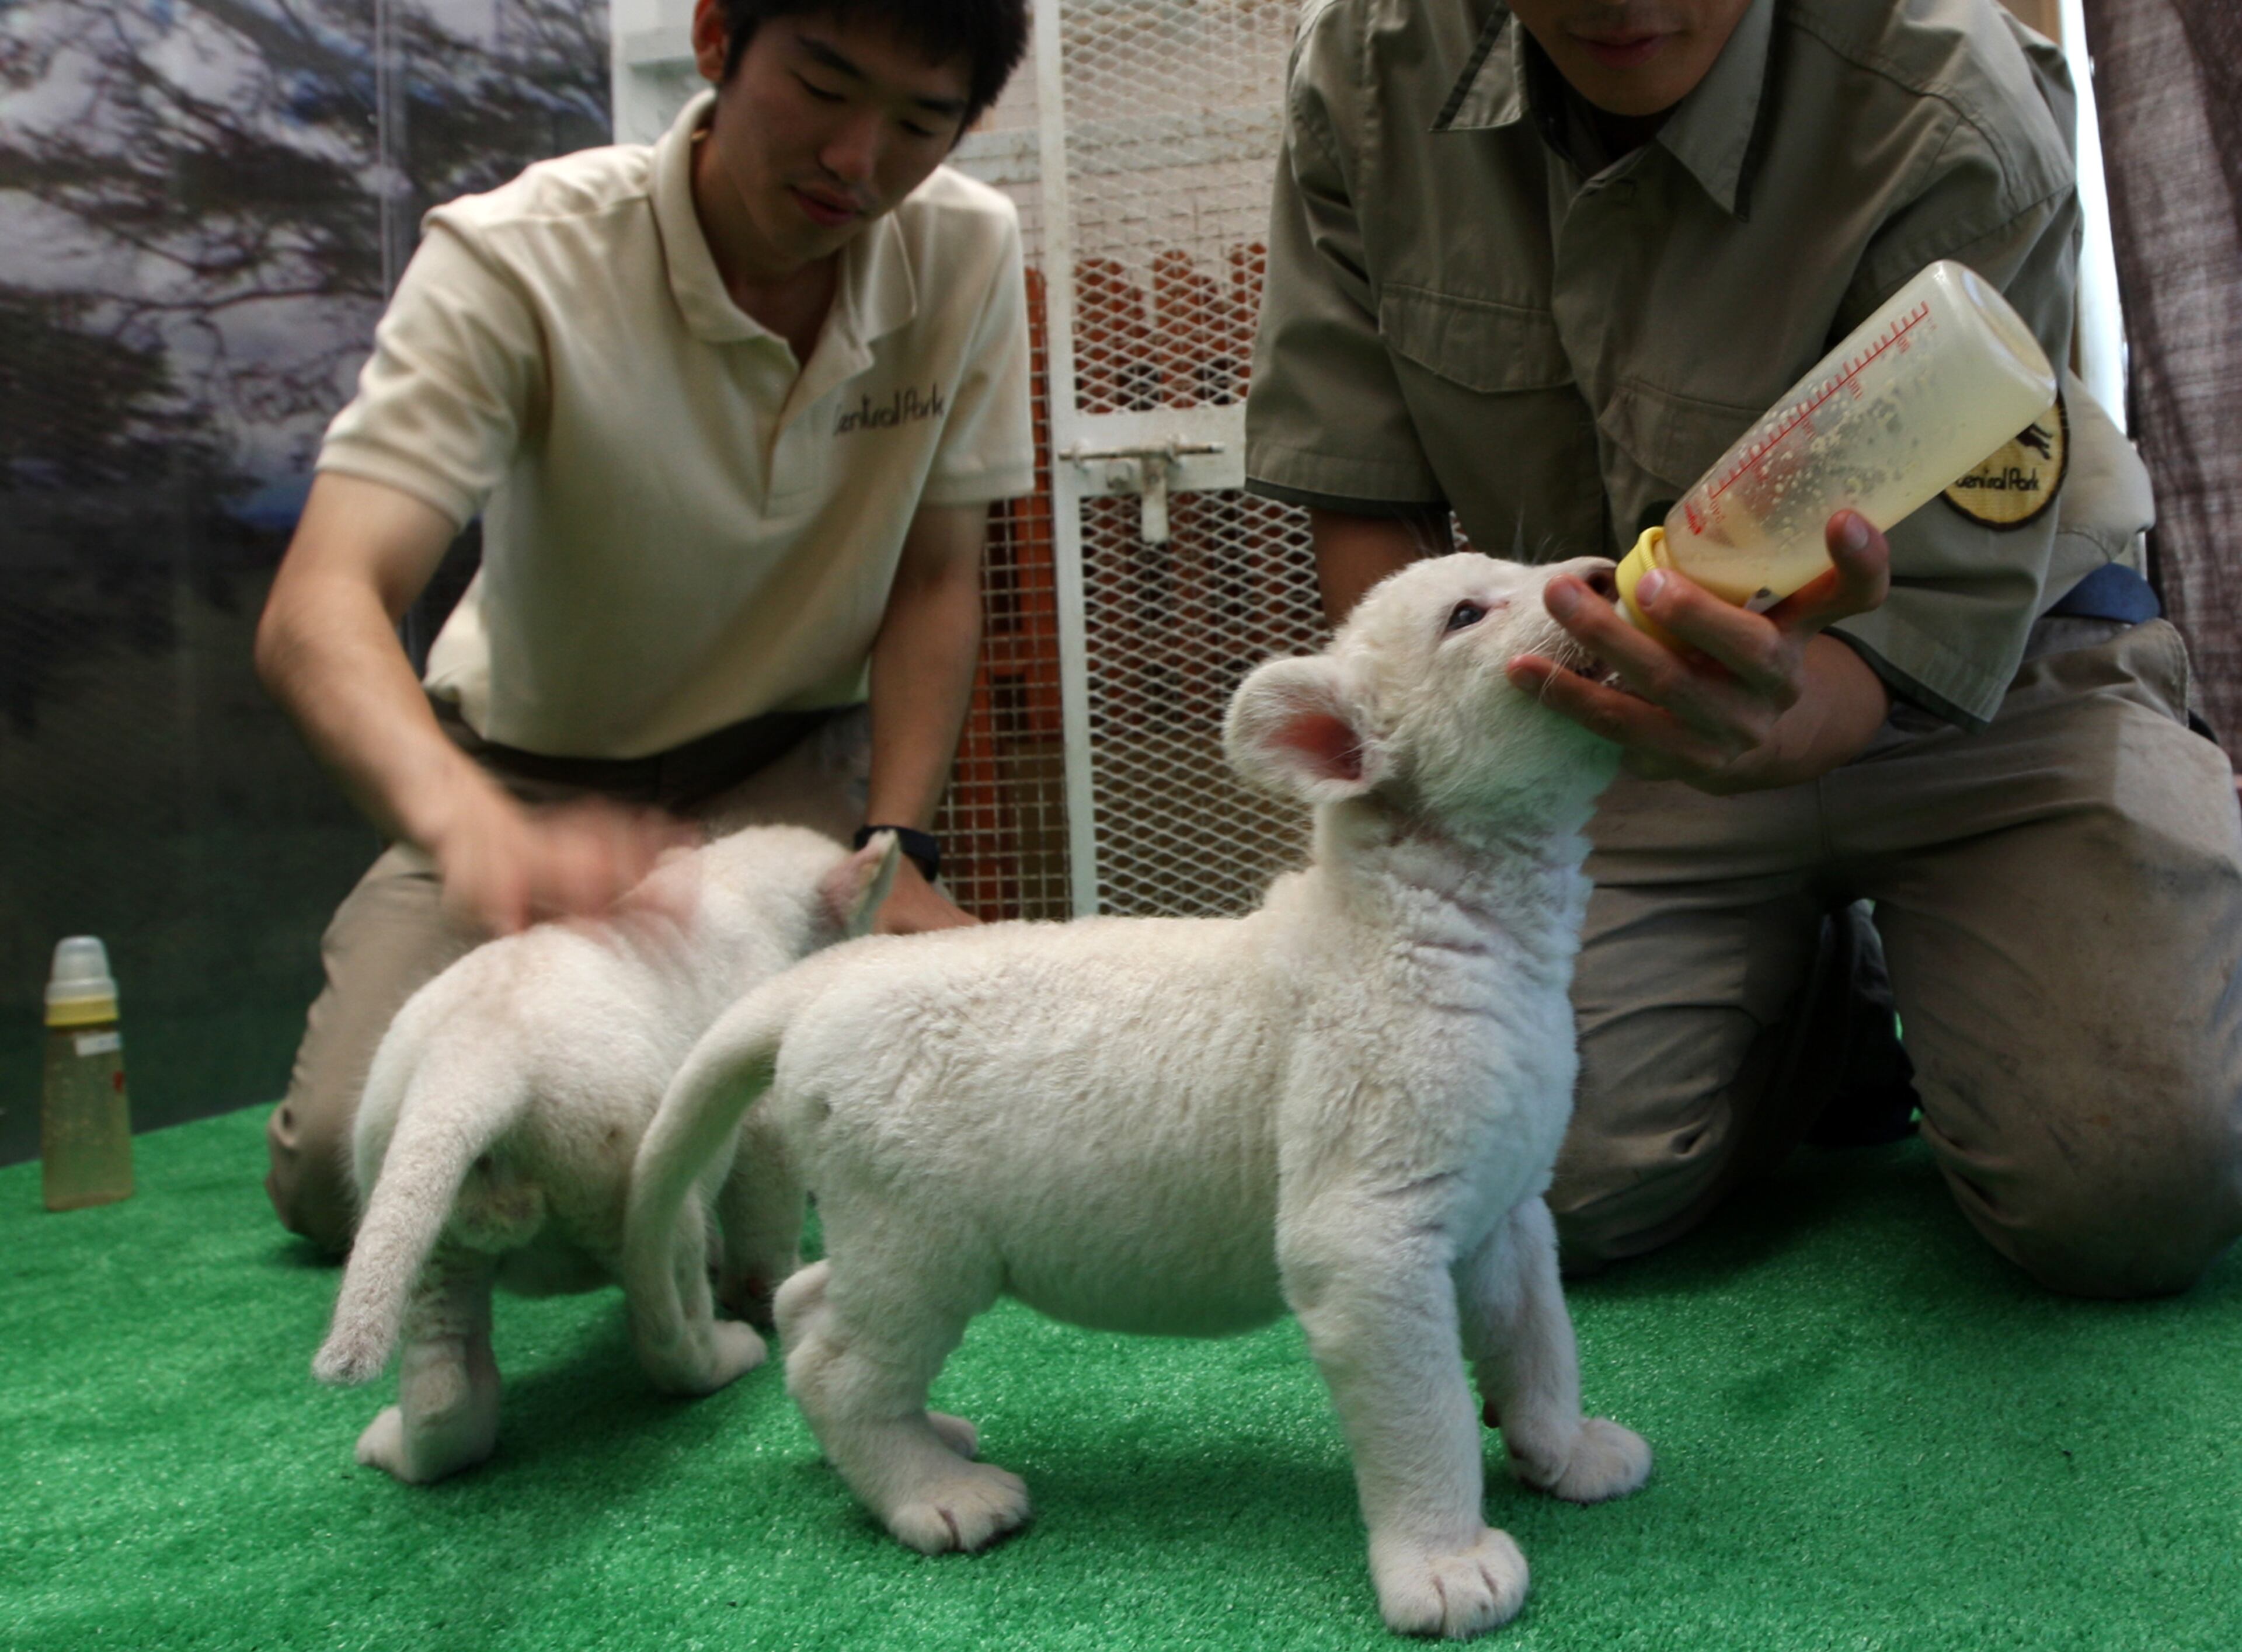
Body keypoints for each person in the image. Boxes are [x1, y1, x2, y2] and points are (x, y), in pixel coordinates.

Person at [1245, 0, 2242, 1296]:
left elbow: (1918, 623)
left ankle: (1998, 921)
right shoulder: (1365, 72)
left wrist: (1773, 724)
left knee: (2139, 1183)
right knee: (1533, 1173)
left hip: (2001, 675)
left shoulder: (1956, 95)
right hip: (1628, 703)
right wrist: (1429, 774)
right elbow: (1368, 492)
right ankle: (1830, 1001)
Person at [256, 0, 1035, 1256]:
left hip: (785, 791)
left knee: (940, 1116)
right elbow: (320, 604)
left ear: (969, 121)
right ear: (718, 39)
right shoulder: (521, 254)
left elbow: (937, 577)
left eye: (918, 120)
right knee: (348, 1160)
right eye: (825, 86)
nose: (857, 160)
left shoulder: (966, 247)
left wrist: (894, 845)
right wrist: (477, 832)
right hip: (525, 781)